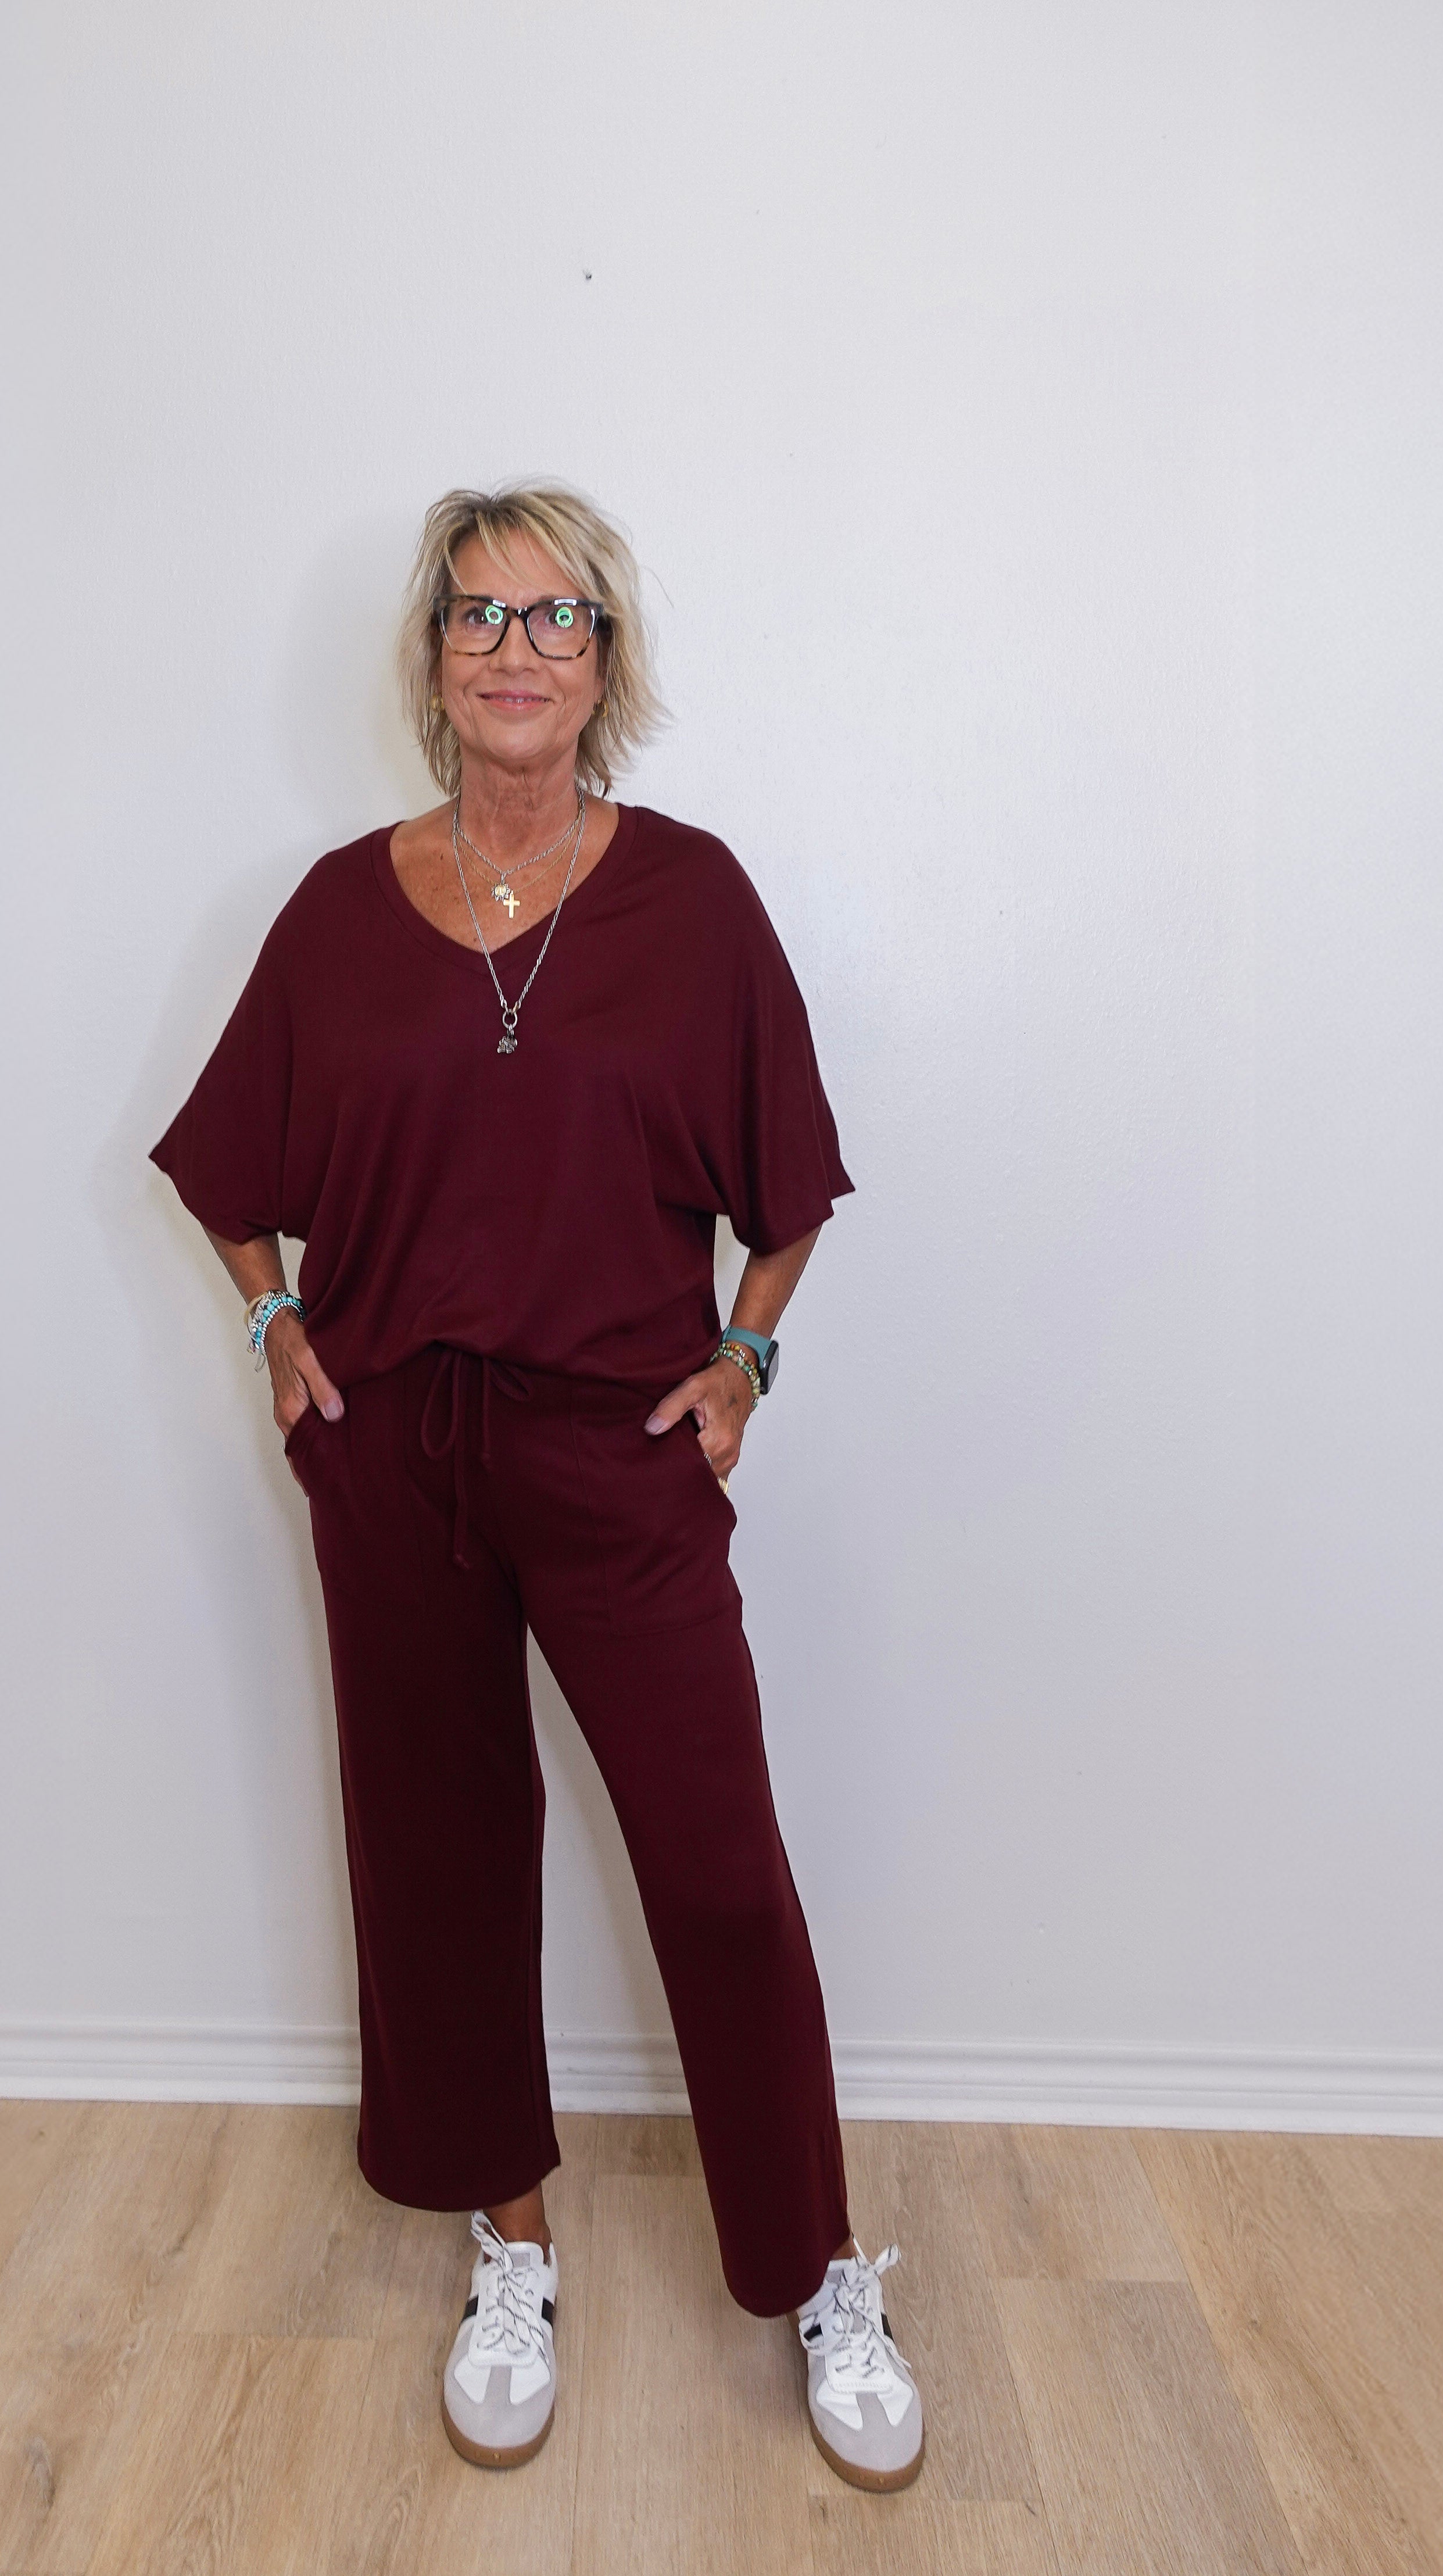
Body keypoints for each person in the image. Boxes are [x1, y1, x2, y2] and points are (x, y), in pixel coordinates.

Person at [149, 481, 925, 2486]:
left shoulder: (692, 899)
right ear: (431, 664)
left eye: (556, 617)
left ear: (606, 664)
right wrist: (272, 1331)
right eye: (479, 618)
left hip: (615, 1442)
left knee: (720, 1871)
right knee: (438, 1856)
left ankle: (818, 2265)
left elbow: (794, 1179)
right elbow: (230, 1170)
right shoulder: (336, 906)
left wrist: (746, 1352)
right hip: (391, 1445)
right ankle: (510, 2243)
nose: (515, 649)